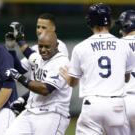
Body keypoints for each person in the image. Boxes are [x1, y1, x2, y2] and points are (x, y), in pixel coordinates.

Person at [59, 3, 135, 135]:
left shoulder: (80, 47)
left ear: (89, 22)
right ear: (110, 22)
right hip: (117, 104)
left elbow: (72, 82)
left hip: (92, 104)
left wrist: (67, 77)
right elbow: (126, 78)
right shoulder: (123, 45)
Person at [5, 29, 72, 135]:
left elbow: (45, 89)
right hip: (31, 111)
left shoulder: (61, 62)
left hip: (51, 114)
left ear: (56, 45)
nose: (43, 50)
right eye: (40, 46)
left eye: (47, 46)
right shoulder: (40, 57)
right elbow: (29, 54)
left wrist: (19, 77)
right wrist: (14, 46)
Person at [7, 13, 69, 115]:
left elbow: (37, 60)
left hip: (53, 107)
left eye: (43, 27)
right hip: (35, 105)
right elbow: (19, 69)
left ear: (53, 29)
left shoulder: (59, 46)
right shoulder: (36, 48)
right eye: (38, 27)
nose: (39, 30)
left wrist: (21, 41)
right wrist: (11, 49)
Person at [116, 10, 135, 135]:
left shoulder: (117, 45)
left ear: (127, 26)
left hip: (124, 100)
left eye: (121, 25)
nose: (119, 30)